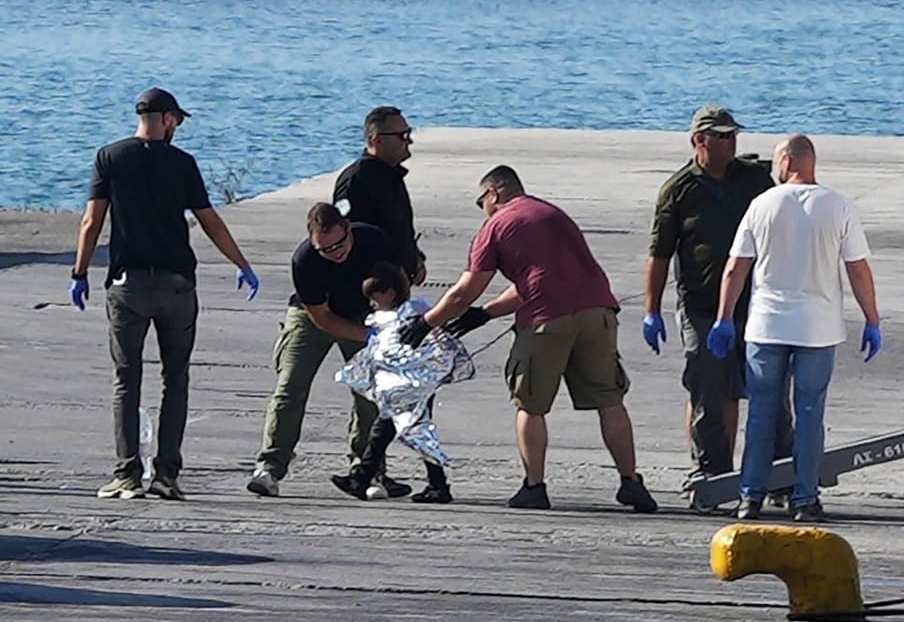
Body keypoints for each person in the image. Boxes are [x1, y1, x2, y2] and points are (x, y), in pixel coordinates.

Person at [401, 165, 658, 514]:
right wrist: (488, 313)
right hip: (598, 312)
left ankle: (534, 486)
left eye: (482, 201)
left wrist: (426, 323)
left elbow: (464, 292)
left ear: (493, 193)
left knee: (530, 405)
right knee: (609, 400)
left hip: (546, 322)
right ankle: (631, 482)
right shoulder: (552, 214)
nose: (483, 209)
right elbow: (537, 278)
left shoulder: (496, 225)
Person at [71, 88, 259, 501]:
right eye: (178, 121)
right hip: (176, 285)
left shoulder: (110, 157)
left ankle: (126, 475)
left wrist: (80, 272)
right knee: (176, 378)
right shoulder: (183, 164)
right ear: (168, 119)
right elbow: (209, 221)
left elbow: (91, 222)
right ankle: (166, 474)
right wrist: (242, 265)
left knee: (126, 380)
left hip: (128, 285)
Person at [707, 136, 881, 524]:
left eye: (776, 161)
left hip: (767, 325)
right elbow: (858, 268)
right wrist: (872, 318)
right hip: (818, 328)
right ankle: (805, 498)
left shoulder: (762, 205)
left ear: (787, 160)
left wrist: (723, 317)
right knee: (809, 414)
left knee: (762, 414)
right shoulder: (838, 206)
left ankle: (750, 497)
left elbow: (736, 268)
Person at [643, 106, 792, 492]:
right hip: (702, 308)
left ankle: (781, 476)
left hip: (757, 306)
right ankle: (712, 472)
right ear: (699, 141)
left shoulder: (755, 180)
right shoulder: (679, 190)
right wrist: (651, 310)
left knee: (770, 392)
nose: (731, 142)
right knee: (708, 388)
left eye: (733, 135)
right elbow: (660, 254)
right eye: (722, 136)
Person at [248, 203, 420, 500]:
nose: (335, 252)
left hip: (365, 314)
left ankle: (367, 469)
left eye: (339, 244)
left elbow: (397, 289)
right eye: (325, 249)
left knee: (370, 393)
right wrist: (366, 336)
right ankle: (269, 468)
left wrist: (391, 329)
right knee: (290, 386)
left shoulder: (374, 242)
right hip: (311, 315)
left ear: (348, 229)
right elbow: (322, 317)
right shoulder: (304, 260)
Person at [351, 260, 455, 503]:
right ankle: (437, 484)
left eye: (375, 299)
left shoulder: (403, 317)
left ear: (389, 293)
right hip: (410, 386)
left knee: (385, 432)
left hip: (412, 386)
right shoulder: (419, 311)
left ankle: (362, 477)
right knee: (414, 433)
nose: (372, 305)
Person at [335, 106, 426, 284]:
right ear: (377, 141)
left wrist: (414, 258)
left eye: (408, 133)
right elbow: (346, 232)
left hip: (396, 280)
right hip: (370, 283)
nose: (409, 141)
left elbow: (398, 228)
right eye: (402, 136)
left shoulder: (391, 174)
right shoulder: (356, 180)